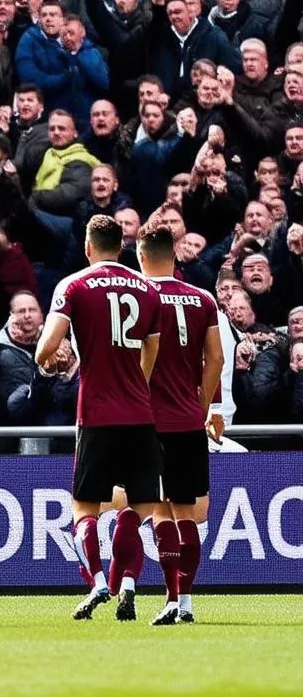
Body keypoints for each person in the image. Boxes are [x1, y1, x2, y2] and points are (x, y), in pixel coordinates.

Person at [35, 214, 162, 622]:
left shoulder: (72, 285)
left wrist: (47, 362)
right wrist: (134, 385)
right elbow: (151, 353)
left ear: (88, 247)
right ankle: (128, 581)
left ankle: (97, 582)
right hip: (139, 414)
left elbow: (47, 346)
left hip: (95, 413)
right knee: (139, 509)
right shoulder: (147, 289)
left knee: (84, 509)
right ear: (122, 248)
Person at [136, 223, 224, 625]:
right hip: (189, 420)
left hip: (148, 420)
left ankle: (171, 598)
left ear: (141, 256)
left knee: (159, 512)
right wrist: (200, 404)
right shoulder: (203, 298)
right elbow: (217, 360)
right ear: (174, 255)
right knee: (187, 513)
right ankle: (185, 602)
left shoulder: (137, 296)